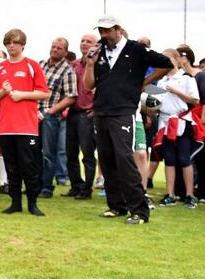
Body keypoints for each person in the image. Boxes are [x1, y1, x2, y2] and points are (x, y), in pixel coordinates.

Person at [83, 15, 172, 224]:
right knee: (106, 159)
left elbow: (166, 64)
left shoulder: (136, 49)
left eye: (106, 31)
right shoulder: (99, 52)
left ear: (118, 29)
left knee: (125, 158)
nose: (103, 35)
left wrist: (145, 82)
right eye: (100, 31)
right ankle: (116, 206)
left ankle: (140, 211)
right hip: (101, 110)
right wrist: (89, 65)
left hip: (124, 110)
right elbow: (88, 86)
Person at [0, 29, 49, 216]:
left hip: (27, 126)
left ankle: (32, 203)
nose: (11, 46)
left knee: (29, 165)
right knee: (11, 166)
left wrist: (22, 95)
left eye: (15, 42)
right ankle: (15, 203)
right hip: (6, 126)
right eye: (8, 42)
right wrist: (3, 92)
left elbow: (44, 92)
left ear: (23, 45)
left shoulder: (32, 66)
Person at [154, 48, 200, 209]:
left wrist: (176, 92)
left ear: (176, 59)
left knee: (184, 158)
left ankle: (189, 194)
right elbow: (157, 103)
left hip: (181, 121)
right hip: (165, 123)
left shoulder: (186, 78)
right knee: (169, 159)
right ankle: (170, 194)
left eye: (168, 58)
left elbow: (195, 101)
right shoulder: (161, 80)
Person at [37, 38, 77, 198]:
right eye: (53, 46)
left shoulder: (68, 70)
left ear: (65, 52)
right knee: (33, 151)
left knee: (48, 152)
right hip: (33, 114)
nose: (55, 50)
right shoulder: (40, 65)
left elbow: (71, 96)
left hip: (50, 117)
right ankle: (35, 185)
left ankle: (46, 187)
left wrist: (50, 111)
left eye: (59, 48)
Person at [65, 34, 98, 200]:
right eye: (82, 41)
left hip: (88, 114)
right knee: (70, 152)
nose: (84, 44)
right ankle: (75, 185)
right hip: (72, 112)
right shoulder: (74, 65)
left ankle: (87, 189)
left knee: (87, 154)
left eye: (89, 42)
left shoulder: (99, 65)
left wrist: (96, 109)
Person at [176, 45, 205, 202]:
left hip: (199, 119)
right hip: (186, 120)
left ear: (185, 57)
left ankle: (201, 191)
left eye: (178, 56)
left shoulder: (200, 76)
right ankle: (185, 190)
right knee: (186, 155)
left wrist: (203, 121)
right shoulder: (181, 77)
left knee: (199, 156)